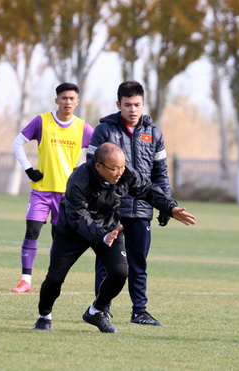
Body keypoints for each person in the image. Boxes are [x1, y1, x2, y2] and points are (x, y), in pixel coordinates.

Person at [33, 142, 196, 333]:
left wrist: (170, 207)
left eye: (122, 166)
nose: (119, 172)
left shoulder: (125, 173)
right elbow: (79, 217)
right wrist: (102, 236)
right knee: (54, 278)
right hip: (73, 229)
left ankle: (96, 311)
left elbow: (147, 189)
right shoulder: (78, 181)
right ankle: (44, 316)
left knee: (120, 272)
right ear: (98, 167)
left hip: (109, 226)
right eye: (114, 168)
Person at [86, 80, 170, 326]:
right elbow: (92, 170)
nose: (133, 110)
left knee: (138, 263)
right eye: (127, 105)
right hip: (110, 211)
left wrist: (166, 204)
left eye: (137, 105)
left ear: (143, 104)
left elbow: (160, 174)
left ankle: (139, 312)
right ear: (118, 105)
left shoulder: (154, 132)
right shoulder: (104, 130)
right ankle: (102, 309)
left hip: (142, 210)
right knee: (106, 262)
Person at [10, 82, 94, 293]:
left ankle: (54, 280)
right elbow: (17, 143)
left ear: (77, 102)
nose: (67, 102)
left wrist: (85, 176)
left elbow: (99, 152)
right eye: (63, 98)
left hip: (67, 195)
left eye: (71, 99)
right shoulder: (42, 121)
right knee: (32, 231)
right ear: (56, 100)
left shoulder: (83, 127)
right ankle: (25, 280)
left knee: (60, 239)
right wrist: (29, 169)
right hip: (41, 190)